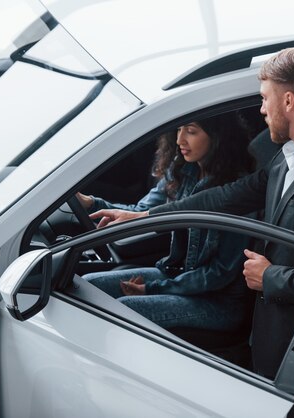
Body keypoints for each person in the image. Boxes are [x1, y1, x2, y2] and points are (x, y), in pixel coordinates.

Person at [92, 47, 294, 405]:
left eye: (264, 99)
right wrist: (145, 217)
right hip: (272, 327)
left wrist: (268, 276)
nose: (261, 110)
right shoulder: (287, 160)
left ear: (288, 101)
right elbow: (223, 197)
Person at [82, 112, 256, 332]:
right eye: (179, 129)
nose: (179, 140)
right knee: (88, 286)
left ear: (218, 136)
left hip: (216, 301)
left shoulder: (237, 191)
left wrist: (154, 289)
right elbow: (140, 212)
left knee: (124, 309)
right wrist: (90, 203)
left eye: (191, 131)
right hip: (178, 276)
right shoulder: (183, 170)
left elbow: (219, 273)